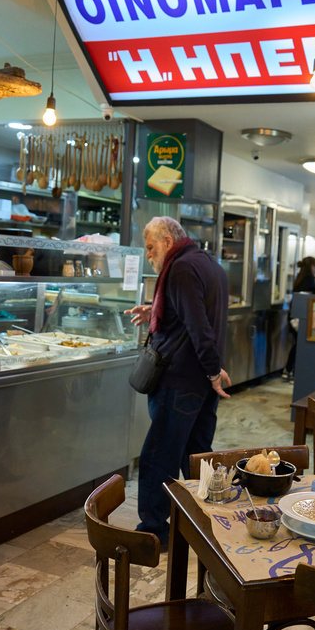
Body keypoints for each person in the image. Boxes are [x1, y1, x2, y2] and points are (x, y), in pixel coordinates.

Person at [124, 216, 230, 548]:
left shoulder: (181, 269)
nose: (149, 255)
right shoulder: (208, 263)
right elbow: (193, 316)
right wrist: (156, 309)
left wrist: (214, 372)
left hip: (179, 381)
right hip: (197, 381)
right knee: (196, 454)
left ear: (169, 241)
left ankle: (155, 530)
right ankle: (206, 519)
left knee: (159, 455)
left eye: (152, 247)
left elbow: (200, 328)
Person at [284, 256, 315, 381]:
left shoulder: (299, 277)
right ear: (311, 266)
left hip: (293, 316)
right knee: (300, 345)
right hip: (301, 317)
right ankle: (292, 370)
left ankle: (288, 369)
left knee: (297, 344)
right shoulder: (309, 279)